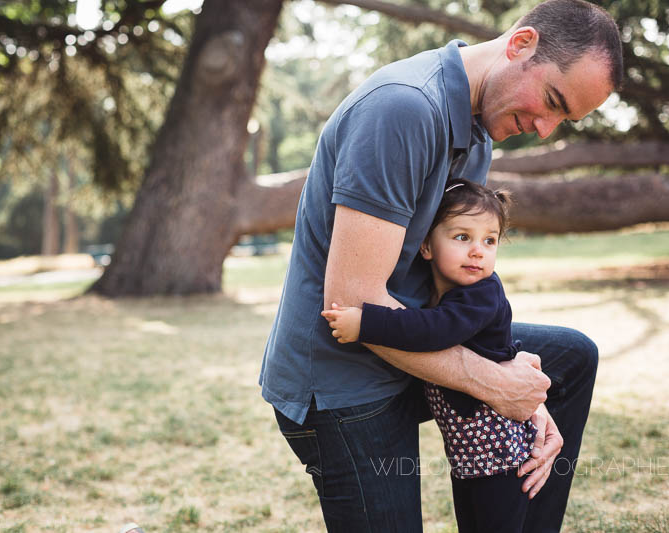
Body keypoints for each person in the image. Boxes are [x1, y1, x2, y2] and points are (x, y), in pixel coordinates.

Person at [259, 0, 623, 530]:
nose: (544, 130)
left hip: (406, 343)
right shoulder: (404, 109)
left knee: (569, 360)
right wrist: (496, 385)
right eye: (551, 101)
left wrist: (527, 397)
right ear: (520, 44)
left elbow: (446, 287)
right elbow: (350, 304)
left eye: (562, 120)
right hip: (343, 380)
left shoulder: (476, 126)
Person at [322, 179, 535, 533]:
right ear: (426, 246)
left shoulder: (483, 294)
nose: (478, 251)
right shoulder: (445, 290)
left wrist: (367, 324)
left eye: (490, 240)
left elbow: (433, 331)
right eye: (462, 237)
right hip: (467, 455)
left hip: (499, 455)